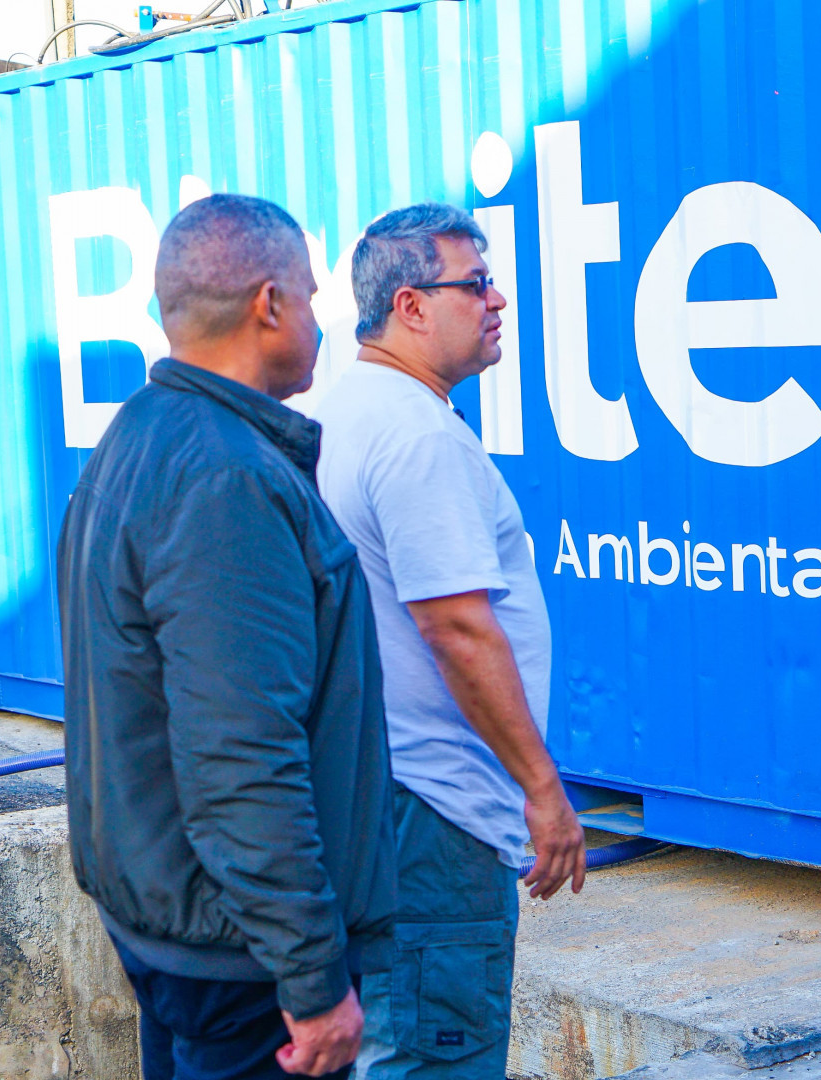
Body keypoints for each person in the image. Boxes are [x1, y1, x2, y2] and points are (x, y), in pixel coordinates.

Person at [57, 193, 396, 1080]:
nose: (321, 319)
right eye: (312, 297)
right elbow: (243, 756)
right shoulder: (227, 482)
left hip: (179, 925)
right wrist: (313, 979)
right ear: (269, 304)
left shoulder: (139, 434)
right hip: (242, 962)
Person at [313, 202, 587, 1080]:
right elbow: (459, 628)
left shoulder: (355, 407)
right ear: (410, 306)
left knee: (391, 1043)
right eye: (474, 283)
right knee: (432, 1054)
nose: (498, 298)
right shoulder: (417, 435)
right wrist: (542, 791)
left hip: (381, 792)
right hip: (434, 811)